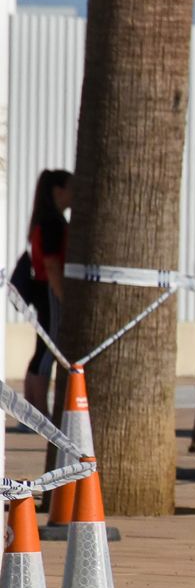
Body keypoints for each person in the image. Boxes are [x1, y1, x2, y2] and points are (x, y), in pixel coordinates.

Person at [25, 169, 72, 414]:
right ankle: (40, 411)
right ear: (58, 191)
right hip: (50, 292)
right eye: (72, 188)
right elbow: (52, 265)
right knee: (49, 350)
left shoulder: (46, 220)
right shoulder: (52, 222)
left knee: (42, 349)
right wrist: (63, 296)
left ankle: (31, 409)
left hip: (44, 291)